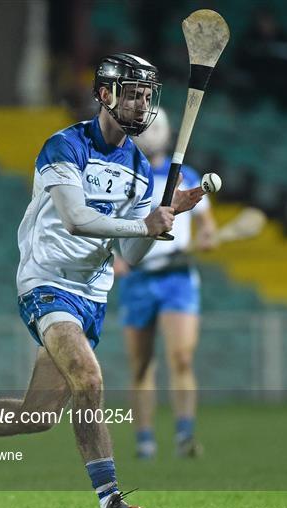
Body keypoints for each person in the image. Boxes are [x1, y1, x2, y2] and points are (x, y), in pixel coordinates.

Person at [0, 53, 204, 508]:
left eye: (147, 96)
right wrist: (142, 226)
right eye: (132, 93)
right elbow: (76, 219)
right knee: (90, 378)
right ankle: (110, 502)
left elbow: (129, 258)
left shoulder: (142, 171)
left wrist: (164, 220)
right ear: (104, 94)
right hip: (47, 283)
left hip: (92, 298)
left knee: (36, 415)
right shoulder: (64, 147)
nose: (142, 105)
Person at [115, 108, 217, 459]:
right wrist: (116, 258)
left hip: (178, 278)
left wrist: (206, 236)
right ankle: (145, 440)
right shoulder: (125, 176)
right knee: (142, 365)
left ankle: (184, 435)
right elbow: (109, 224)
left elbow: (207, 225)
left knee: (182, 358)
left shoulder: (185, 175)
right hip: (139, 279)